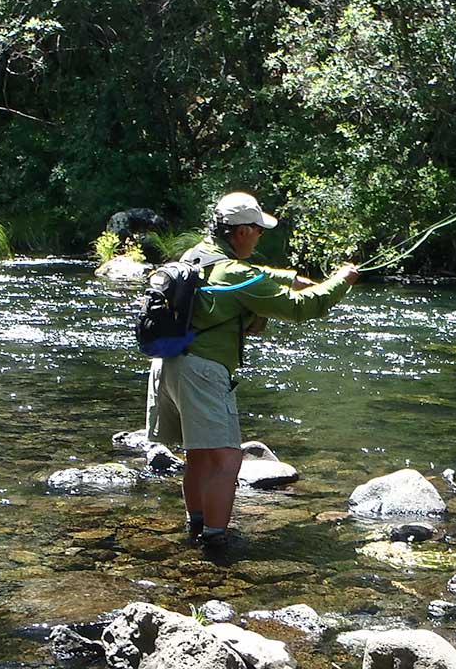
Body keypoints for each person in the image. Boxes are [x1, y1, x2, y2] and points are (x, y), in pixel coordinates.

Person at [145, 191, 359, 551]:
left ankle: (196, 528)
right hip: (203, 372)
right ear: (241, 232)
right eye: (258, 230)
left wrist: (288, 277)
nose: (261, 236)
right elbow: (304, 308)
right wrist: (342, 279)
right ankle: (216, 542)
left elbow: (247, 274)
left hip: (169, 366)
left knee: (199, 454)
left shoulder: (196, 254)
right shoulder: (239, 275)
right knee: (228, 457)